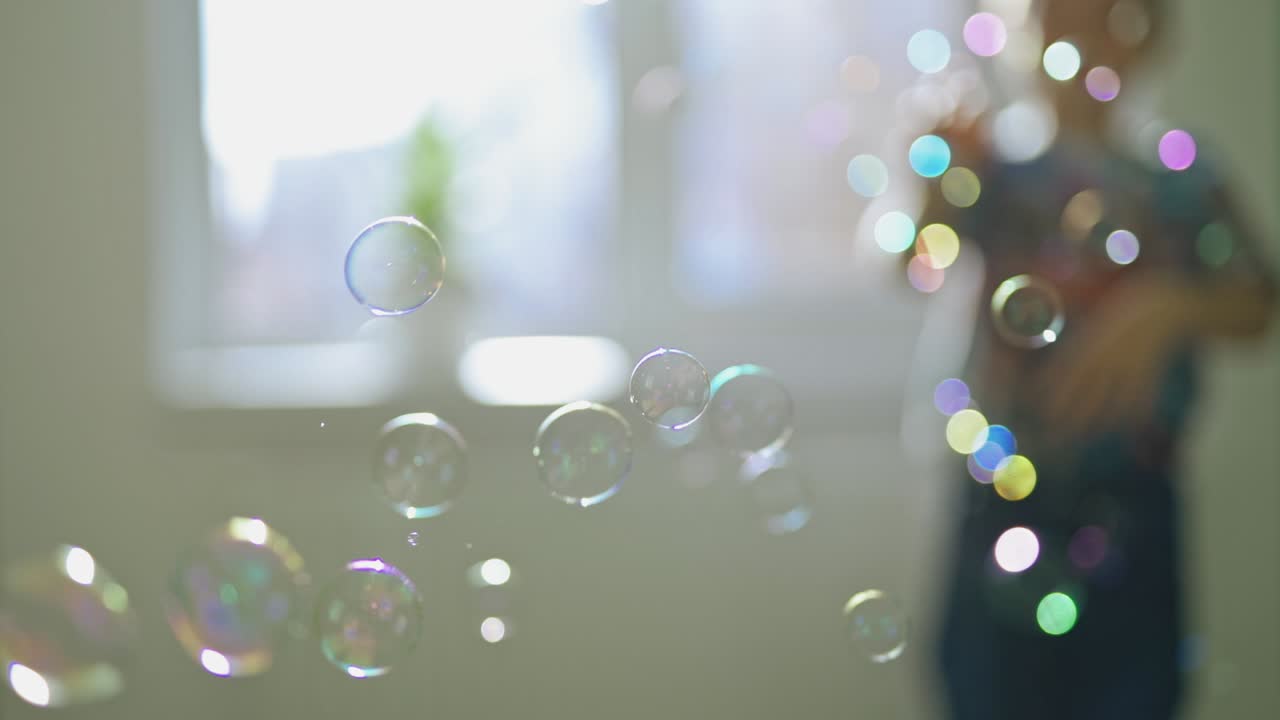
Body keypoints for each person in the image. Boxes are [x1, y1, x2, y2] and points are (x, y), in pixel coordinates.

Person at [916, 1, 1278, 718]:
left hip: (1135, 499)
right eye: (1060, 17)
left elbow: (1258, 302)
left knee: (1132, 696)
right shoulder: (990, 174)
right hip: (1000, 502)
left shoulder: (1183, 183)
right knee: (987, 693)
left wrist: (1166, 305)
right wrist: (935, 188)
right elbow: (915, 264)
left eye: (1107, 15)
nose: (1082, 37)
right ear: (1025, 38)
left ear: (1151, 38)